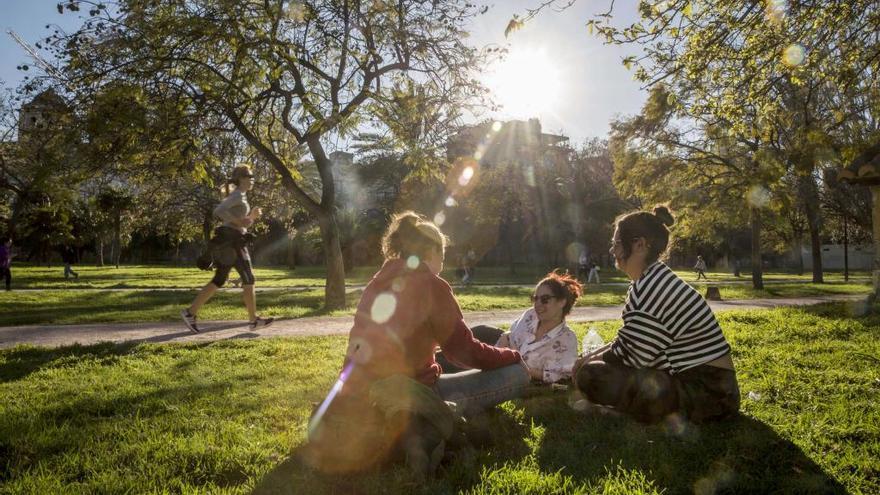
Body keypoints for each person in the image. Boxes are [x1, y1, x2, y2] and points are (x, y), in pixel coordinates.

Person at [305, 211, 528, 476]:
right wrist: (511, 355)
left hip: (366, 389)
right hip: (413, 392)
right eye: (442, 258)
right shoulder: (432, 285)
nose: (442, 266)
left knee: (444, 356)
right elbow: (464, 352)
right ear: (432, 251)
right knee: (518, 374)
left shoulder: (377, 282)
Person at [573, 206, 739, 424]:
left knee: (592, 375)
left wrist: (587, 364)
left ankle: (618, 414)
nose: (613, 251)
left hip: (710, 393)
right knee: (594, 370)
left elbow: (634, 356)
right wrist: (588, 359)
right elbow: (629, 342)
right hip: (705, 386)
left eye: (617, 244)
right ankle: (621, 409)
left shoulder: (653, 287)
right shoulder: (651, 280)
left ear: (640, 245)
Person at [181, 165, 273, 332]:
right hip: (233, 241)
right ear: (241, 179)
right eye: (249, 176)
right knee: (248, 277)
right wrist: (240, 221)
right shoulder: (237, 195)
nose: (252, 179)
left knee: (220, 279)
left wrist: (251, 217)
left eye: (252, 176)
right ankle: (253, 321)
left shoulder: (242, 196)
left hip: (232, 240)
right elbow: (219, 210)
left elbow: (242, 223)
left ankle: (190, 313)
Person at [454, 271, 580, 384]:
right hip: (497, 347)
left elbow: (560, 375)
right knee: (475, 334)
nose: (537, 304)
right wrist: (506, 337)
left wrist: (524, 369)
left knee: (462, 364)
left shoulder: (567, 340)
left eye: (545, 299)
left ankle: (439, 372)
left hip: (506, 367)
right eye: (535, 299)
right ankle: (437, 358)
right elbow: (511, 332)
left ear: (562, 302)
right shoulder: (531, 314)